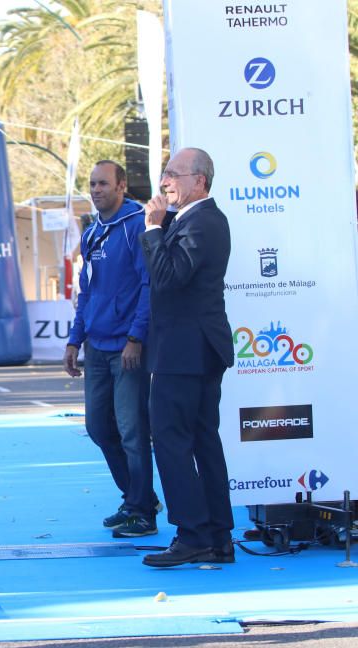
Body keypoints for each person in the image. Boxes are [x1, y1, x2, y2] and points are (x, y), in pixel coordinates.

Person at [138, 148, 235, 568]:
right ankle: (216, 536)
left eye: (173, 174)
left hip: (187, 351)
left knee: (174, 440)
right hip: (188, 349)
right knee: (200, 440)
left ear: (200, 180)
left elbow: (168, 278)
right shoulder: (190, 220)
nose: (164, 183)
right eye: (165, 174)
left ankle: (193, 534)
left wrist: (155, 230)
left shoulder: (205, 221)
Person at [64, 161, 159, 538]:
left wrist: (136, 338)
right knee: (98, 426)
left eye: (103, 183)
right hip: (96, 346)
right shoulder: (92, 232)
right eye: (92, 184)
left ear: (122, 186)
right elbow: (87, 291)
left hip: (127, 348)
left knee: (132, 429)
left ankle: (142, 513)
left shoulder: (137, 224)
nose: (96, 189)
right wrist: (75, 338)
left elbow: (148, 285)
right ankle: (138, 499)